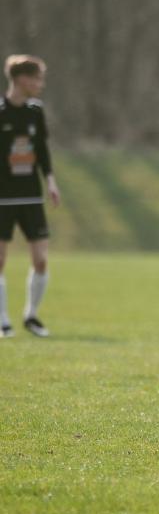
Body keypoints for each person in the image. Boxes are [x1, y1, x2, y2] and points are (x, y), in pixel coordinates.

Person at [0, 56, 60, 338]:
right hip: (2, 199)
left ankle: (31, 316)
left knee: (40, 259)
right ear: (21, 79)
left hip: (31, 197)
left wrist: (50, 181)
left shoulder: (36, 111)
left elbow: (42, 151)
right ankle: (3, 321)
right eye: (36, 78)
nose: (40, 84)